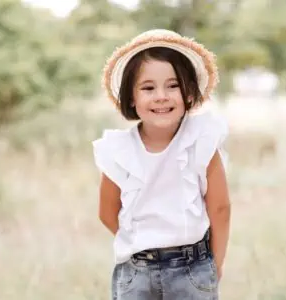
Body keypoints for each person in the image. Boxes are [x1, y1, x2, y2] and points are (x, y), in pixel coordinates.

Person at [92, 29, 231, 300]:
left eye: (173, 85)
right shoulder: (119, 150)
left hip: (192, 269)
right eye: (148, 88)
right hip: (136, 273)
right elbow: (107, 211)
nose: (161, 96)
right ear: (131, 98)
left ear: (189, 92)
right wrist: (144, 241)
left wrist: (216, 264)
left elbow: (220, 207)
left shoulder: (200, 140)